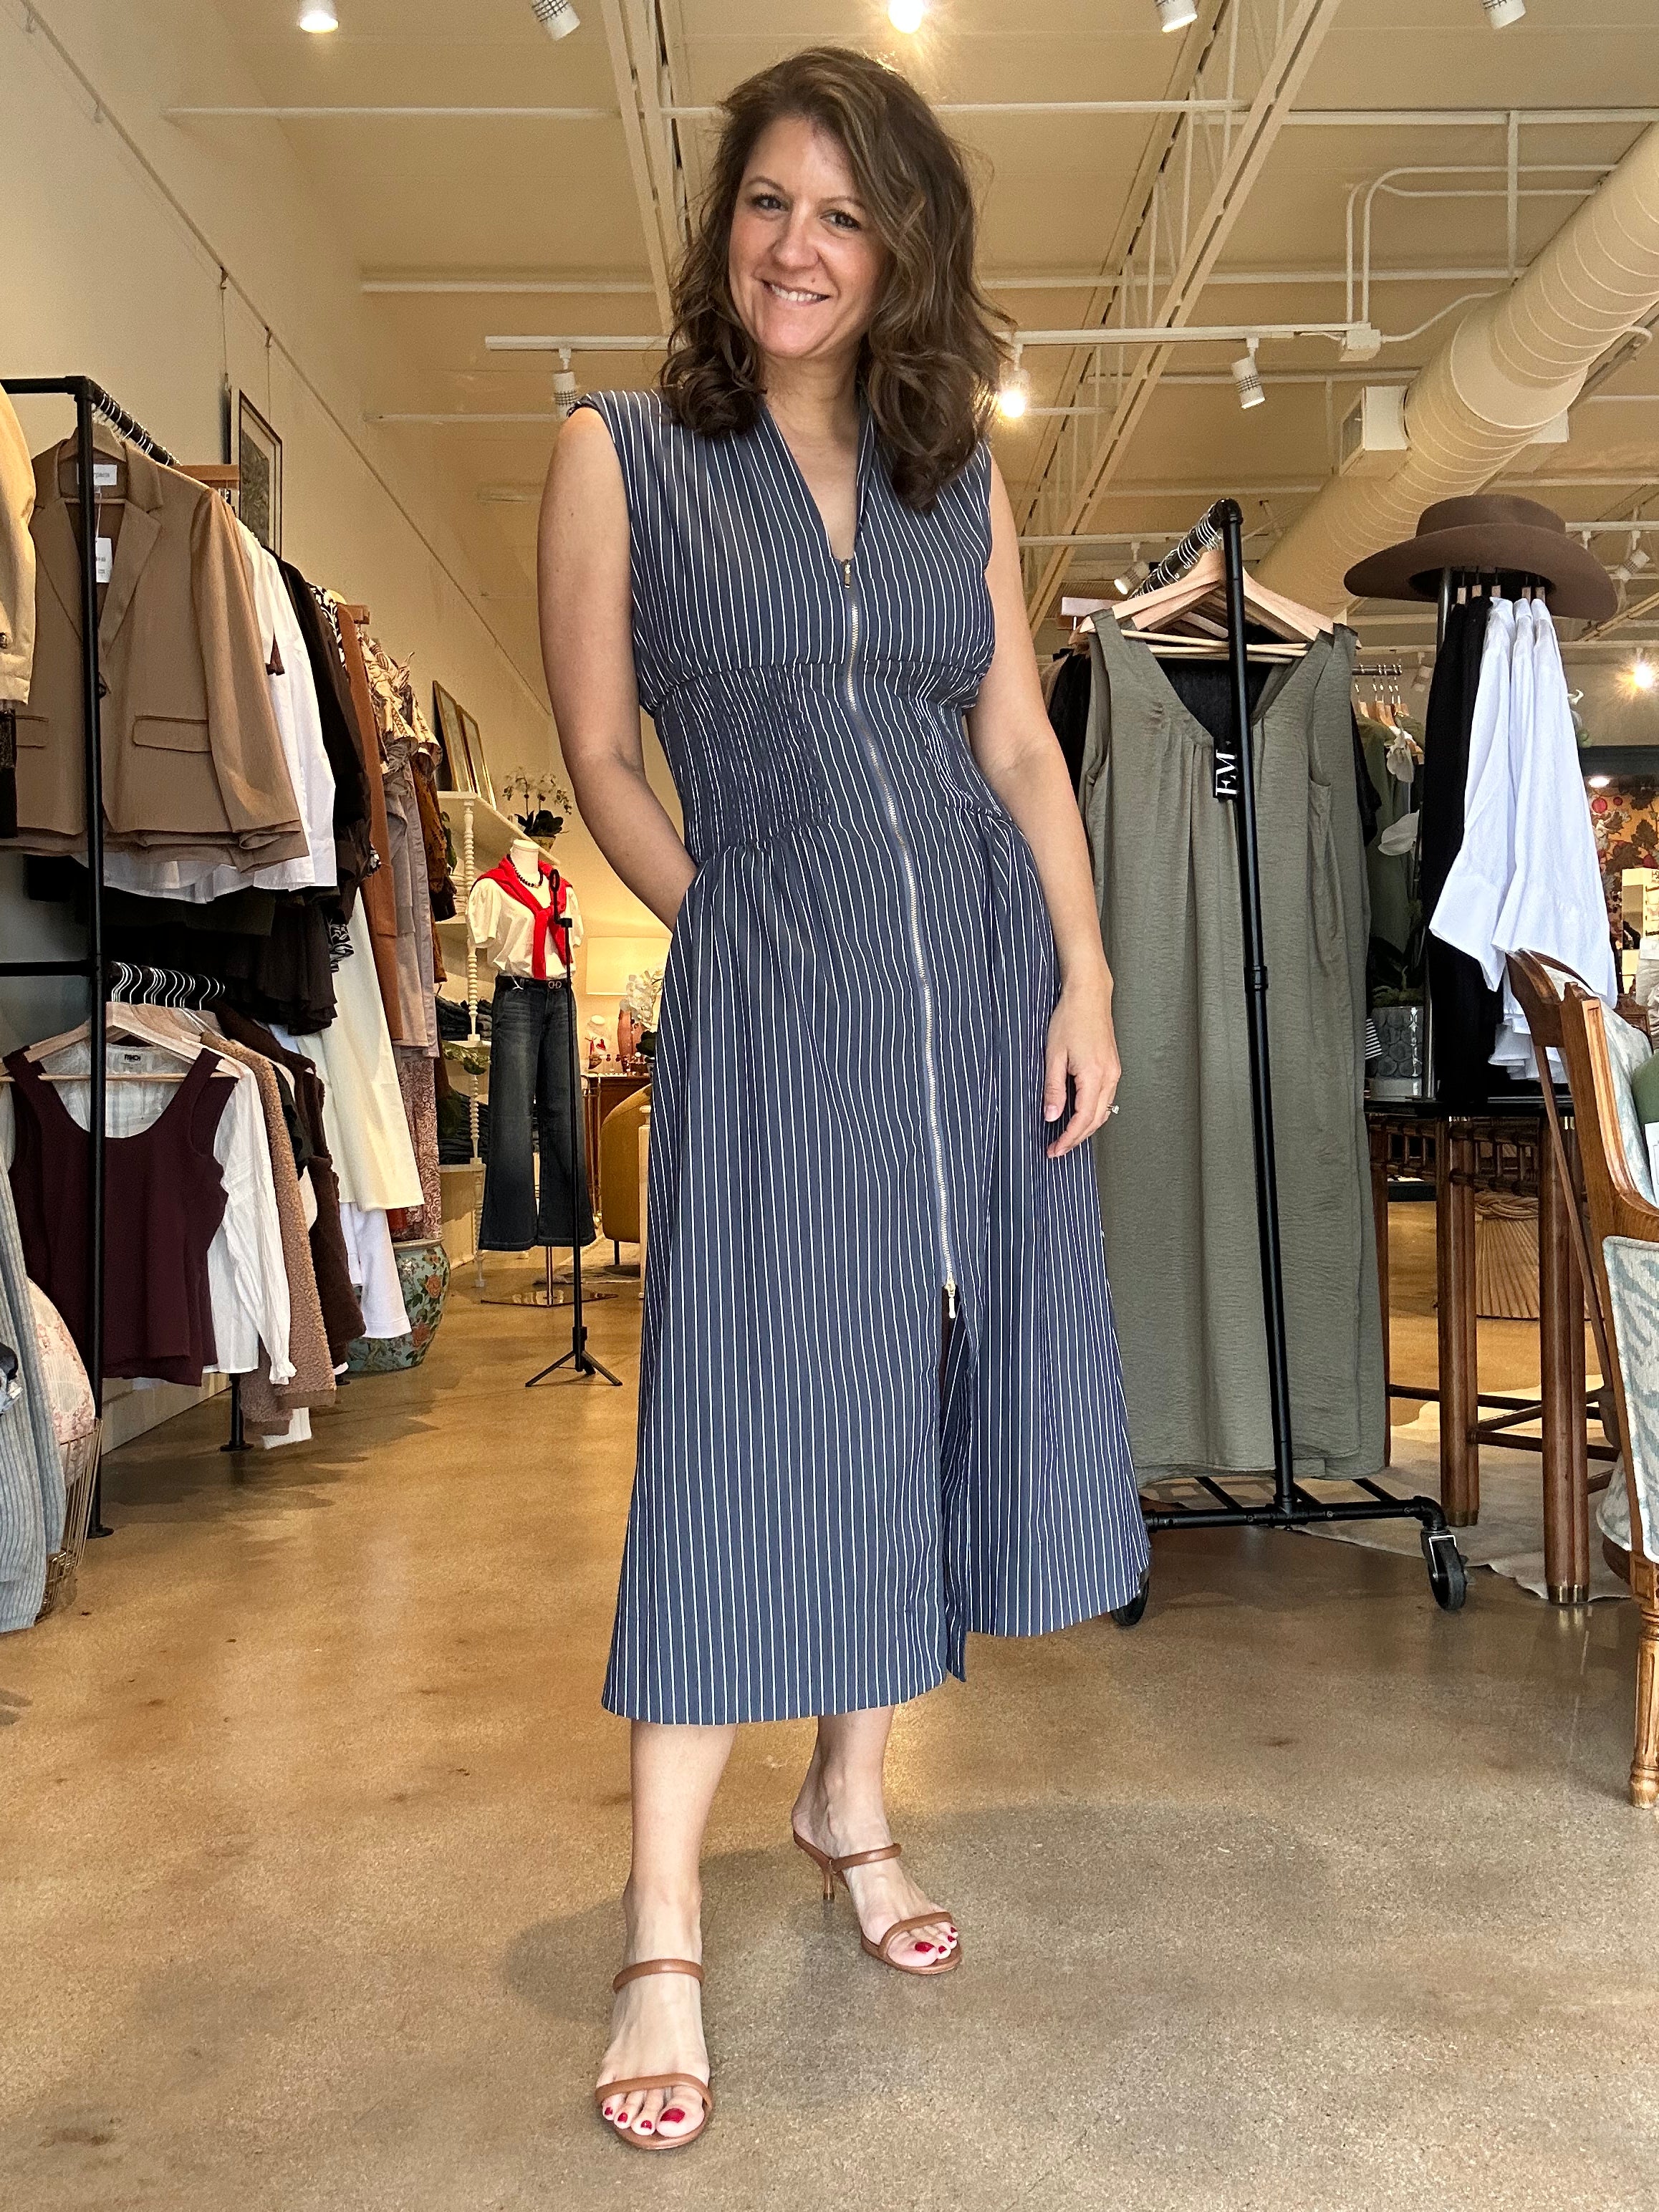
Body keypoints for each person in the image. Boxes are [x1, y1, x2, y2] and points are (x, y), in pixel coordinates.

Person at [538, 44, 1148, 2155]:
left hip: (976, 988)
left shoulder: (951, 475)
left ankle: (851, 1799)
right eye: (767, 202)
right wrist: (726, 926)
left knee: (920, 1385)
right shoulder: (620, 451)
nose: (798, 247)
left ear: (902, 255)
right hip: (770, 996)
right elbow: (600, 750)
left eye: (845, 215)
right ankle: (659, 1928)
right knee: (740, 1411)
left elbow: (1019, 747)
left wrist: (1082, 976)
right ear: (724, 226)